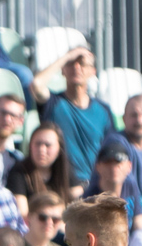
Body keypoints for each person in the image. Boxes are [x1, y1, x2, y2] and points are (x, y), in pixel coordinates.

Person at [31, 46, 115, 184]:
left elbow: (109, 149)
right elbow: (36, 84)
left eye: (82, 64)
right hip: (61, 185)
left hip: (94, 185)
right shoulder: (53, 103)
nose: (76, 68)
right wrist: (66, 56)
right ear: (63, 70)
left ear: (93, 72)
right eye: (70, 64)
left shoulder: (103, 110)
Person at [7, 122, 82, 217]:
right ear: (30, 146)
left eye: (48, 145)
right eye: (38, 144)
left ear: (59, 149)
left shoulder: (65, 168)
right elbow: (23, 215)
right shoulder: (19, 171)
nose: (42, 149)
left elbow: (80, 204)